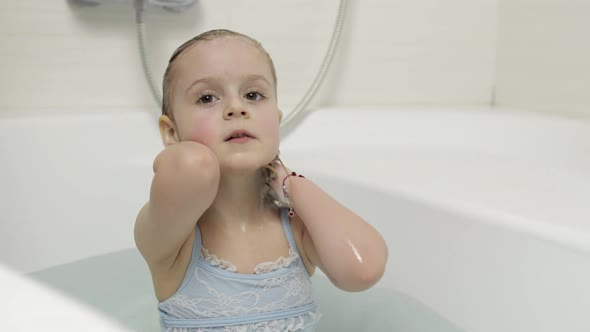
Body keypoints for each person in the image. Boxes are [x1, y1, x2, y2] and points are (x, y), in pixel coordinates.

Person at [134, 29, 388, 332]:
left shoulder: (297, 227)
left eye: (253, 95)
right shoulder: (171, 237)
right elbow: (191, 167)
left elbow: (362, 270)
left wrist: (292, 184)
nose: (236, 108)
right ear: (172, 133)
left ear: (277, 122)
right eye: (207, 97)